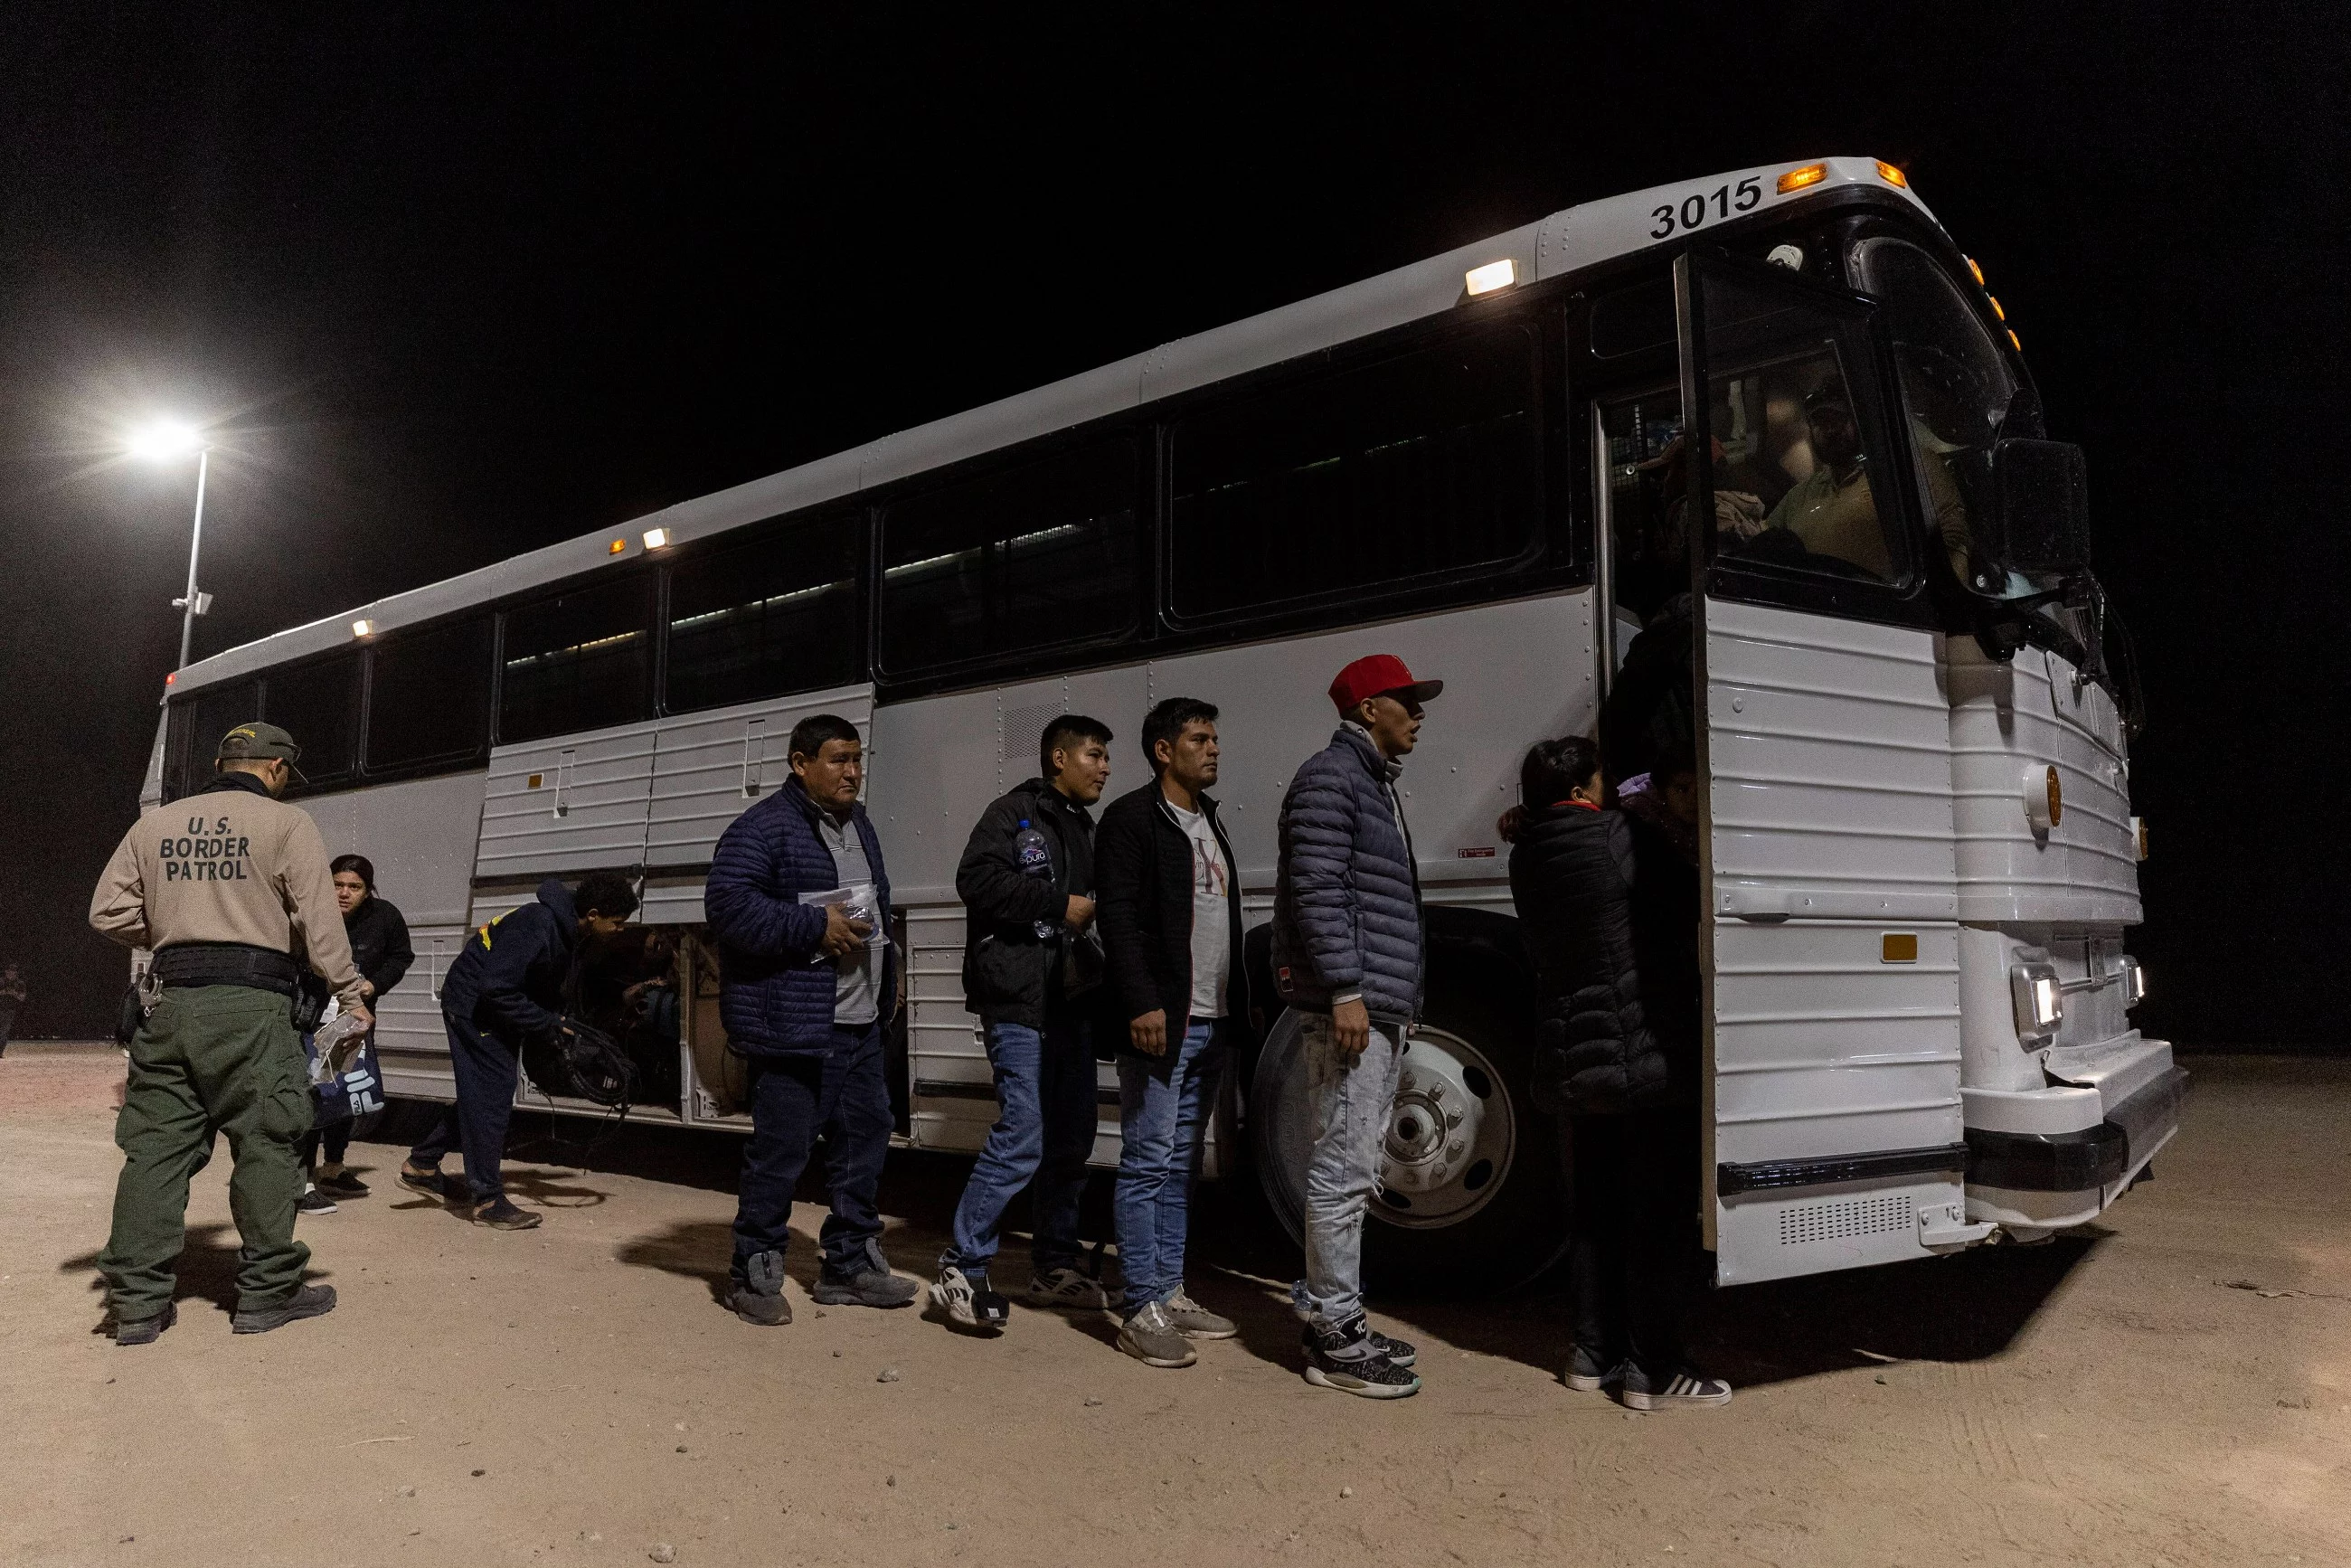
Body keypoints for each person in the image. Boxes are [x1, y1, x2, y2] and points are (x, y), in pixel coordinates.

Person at [87, 721, 371, 1344]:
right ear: (275, 770)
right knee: (269, 1144)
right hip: (253, 1007)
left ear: (222, 762)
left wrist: (172, 927)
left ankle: (136, 1305)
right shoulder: (287, 826)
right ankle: (267, 1294)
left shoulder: (154, 825)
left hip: (168, 1004)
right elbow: (322, 927)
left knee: (155, 1152)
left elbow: (105, 911)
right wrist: (351, 994)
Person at [1504, 736, 1728, 1411]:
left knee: (1595, 1215)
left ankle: (1590, 1352)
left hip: (1573, 1063)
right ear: (1584, 788)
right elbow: (1689, 894)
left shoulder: (1527, 854)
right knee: (1657, 1215)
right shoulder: (1618, 841)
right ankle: (1652, 1368)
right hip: (1640, 1058)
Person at [704, 713, 919, 1326]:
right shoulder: (762, 828)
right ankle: (754, 1269)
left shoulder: (862, 827)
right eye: (837, 760)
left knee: (865, 1140)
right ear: (800, 765)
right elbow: (728, 908)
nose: (853, 772)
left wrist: (890, 976)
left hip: (858, 1022)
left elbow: (874, 909)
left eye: (857, 760)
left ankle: (848, 1265)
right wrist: (811, 926)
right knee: (782, 1151)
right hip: (797, 1025)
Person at [1270, 656, 1438, 1398]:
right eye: (1408, 701)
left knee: (1352, 1167)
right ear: (1369, 708)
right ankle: (1334, 1338)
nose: (1419, 713)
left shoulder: (1366, 783)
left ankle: (1337, 1317)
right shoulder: (1330, 779)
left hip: (1374, 1002)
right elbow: (1315, 889)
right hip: (1352, 1004)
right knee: (1341, 1171)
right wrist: (1345, 989)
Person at [930, 714, 1118, 1330]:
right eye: (1094, 755)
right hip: (1018, 1001)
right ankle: (963, 1265)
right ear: (1058, 759)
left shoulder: (1083, 827)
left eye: (1105, 757)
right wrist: (1055, 903)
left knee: (1072, 1138)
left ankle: (1053, 1266)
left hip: (1069, 1004)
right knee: (1023, 1134)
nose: (1104, 767)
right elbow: (975, 880)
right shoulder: (1013, 813)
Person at [1094, 698, 1248, 1369]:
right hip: (1164, 1020)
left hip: (1208, 1018)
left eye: (1215, 737)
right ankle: (1138, 1306)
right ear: (1163, 750)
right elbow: (1119, 920)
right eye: (1198, 739)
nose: (1212, 749)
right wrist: (1141, 1003)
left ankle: (1169, 1289)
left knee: (1182, 1164)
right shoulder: (1131, 819)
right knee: (1148, 1159)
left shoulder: (1208, 819)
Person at [397, 871, 638, 1229]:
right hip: (473, 1007)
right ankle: (487, 1200)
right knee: (491, 1099)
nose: (620, 930)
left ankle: (422, 1165)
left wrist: (557, 1019)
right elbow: (496, 988)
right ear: (592, 914)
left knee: (483, 1095)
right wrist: (546, 1023)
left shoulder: (568, 930)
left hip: (495, 1009)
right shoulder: (536, 923)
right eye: (617, 923)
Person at [295, 854, 414, 1212]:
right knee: (313, 1095)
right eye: (337, 885)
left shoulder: (385, 917)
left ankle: (333, 1168)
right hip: (312, 1020)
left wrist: (374, 985)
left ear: (368, 891)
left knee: (347, 1091)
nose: (344, 893)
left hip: (356, 1019)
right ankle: (300, 1181)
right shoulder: (310, 913)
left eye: (354, 887)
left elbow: (401, 957)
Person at [1760, 380, 1889, 579]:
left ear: (1859, 420)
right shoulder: (1801, 494)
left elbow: (1949, 538)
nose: (1830, 431)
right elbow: (1761, 537)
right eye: (1820, 423)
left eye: (1837, 419)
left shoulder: (1891, 478)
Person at [0, 962, 24, 1056]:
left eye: (13, 971)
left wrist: (14, 993)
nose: (11, 973)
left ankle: (0, 1052)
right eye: (9, 971)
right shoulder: (1, 981)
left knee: (4, 1031)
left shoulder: (19, 983)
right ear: (6, 971)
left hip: (10, 1010)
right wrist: (4, 992)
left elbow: (22, 998)